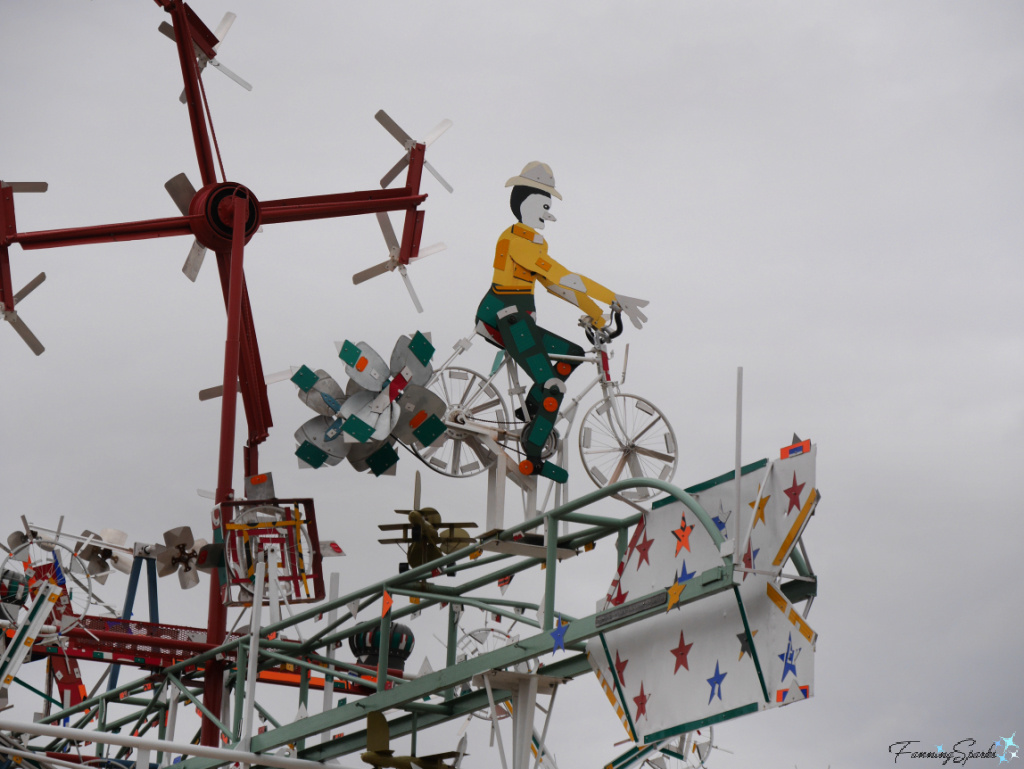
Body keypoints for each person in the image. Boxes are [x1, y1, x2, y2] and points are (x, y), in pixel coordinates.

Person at [475, 162, 649, 482]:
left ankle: (529, 412)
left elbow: (555, 286)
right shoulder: (517, 240)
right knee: (553, 384)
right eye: (544, 204)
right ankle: (533, 456)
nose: (547, 212)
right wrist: (611, 297)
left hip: (519, 319)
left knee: (572, 353)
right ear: (525, 200)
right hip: (505, 318)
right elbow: (561, 275)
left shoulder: (535, 243)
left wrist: (595, 315)